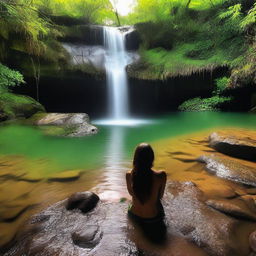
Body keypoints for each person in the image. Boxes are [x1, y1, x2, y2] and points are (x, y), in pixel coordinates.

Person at [126, 143, 167, 242]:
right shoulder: (160, 175)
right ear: (151, 158)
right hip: (152, 218)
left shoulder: (129, 175)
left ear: (135, 158)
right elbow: (160, 196)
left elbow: (131, 194)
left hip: (134, 215)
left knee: (131, 202)